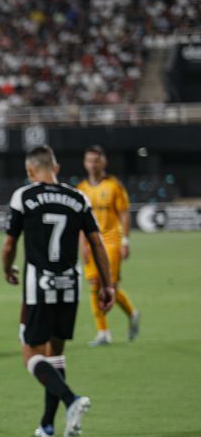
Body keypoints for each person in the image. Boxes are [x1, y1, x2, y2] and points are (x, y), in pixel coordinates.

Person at [2, 145, 115, 437]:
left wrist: (7, 268)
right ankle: (48, 424)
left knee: (31, 354)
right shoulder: (78, 198)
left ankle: (71, 400)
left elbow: (9, 244)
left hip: (38, 287)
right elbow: (96, 244)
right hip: (70, 286)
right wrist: (108, 285)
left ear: (30, 171)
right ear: (57, 167)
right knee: (56, 355)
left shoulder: (24, 196)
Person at [77, 145, 140, 346]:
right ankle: (103, 332)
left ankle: (131, 313)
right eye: (89, 160)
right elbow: (79, 221)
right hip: (91, 241)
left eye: (96, 160)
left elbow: (123, 213)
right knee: (94, 285)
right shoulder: (81, 189)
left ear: (103, 162)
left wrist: (125, 240)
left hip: (111, 240)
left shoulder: (114, 186)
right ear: (84, 163)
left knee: (109, 286)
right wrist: (82, 244)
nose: (92, 164)